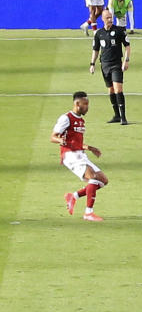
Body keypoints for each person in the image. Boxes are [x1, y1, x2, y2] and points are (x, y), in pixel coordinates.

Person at [50, 91, 109, 221]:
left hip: (80, 154)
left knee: (103, 180)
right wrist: (61, 141)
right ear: (77, 104)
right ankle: (88, 213)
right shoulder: (66, 118)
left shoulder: (81, 121)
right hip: (70, 155)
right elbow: (53, 137)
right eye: (85, 104)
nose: (87, 107)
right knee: (93, 178)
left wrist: (90, 148)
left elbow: (77, 143)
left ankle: (73, 196)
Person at [91, 9, 132, 125]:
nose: (110, 19)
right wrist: (92, 64)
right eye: (108, 18)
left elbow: (127, 46)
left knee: (118, 89)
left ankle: (123, 117)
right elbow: (96, 50)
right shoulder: (99, 34)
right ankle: (116, 115)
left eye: (111, 17)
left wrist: (126, 61)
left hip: (116, 64)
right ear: (103, 19)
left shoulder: (119, 31)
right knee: (111, 90)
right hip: (104, 65)